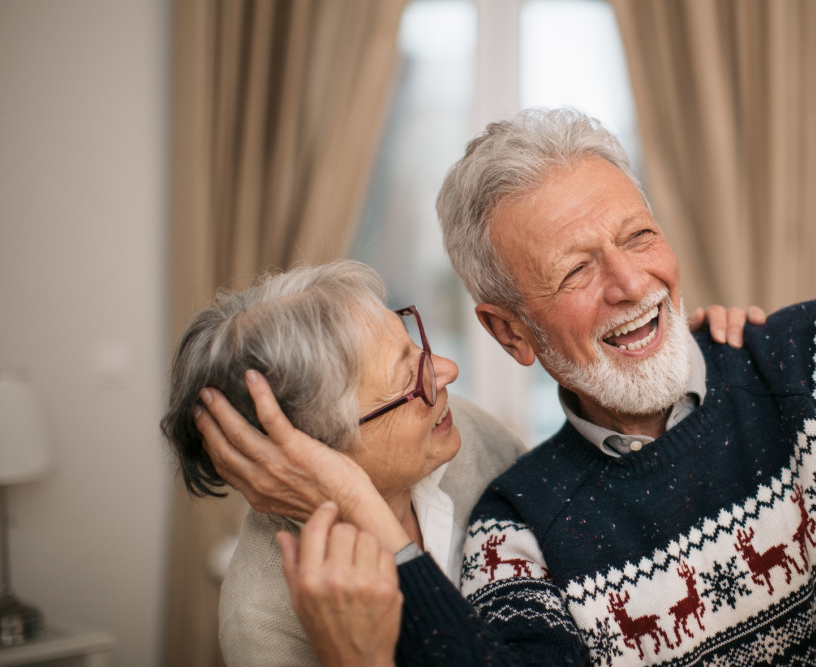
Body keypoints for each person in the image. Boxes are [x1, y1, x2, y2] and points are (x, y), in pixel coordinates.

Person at [198, 107, 816, 666]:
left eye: (639, 236)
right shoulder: (517, 530)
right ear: (510, 332)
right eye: (575, 270)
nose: (631, 283)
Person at [167, 258, 757, 666]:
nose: (444, 370)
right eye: (410, 376)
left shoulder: (464, 435)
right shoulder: (265, 618)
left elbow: (580, 523)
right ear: (320, 447)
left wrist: (682, 363)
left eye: (413, 341)